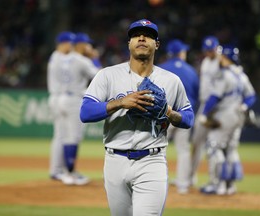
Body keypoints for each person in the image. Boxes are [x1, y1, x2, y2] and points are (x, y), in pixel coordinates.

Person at [80, 19, 194, 216]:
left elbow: (188, 118)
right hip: (115, 160)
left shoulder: (171, 80)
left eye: (148, 35)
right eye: (136, 35)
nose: (142, 38)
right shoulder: (107, 75)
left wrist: (169, 113)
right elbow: (86, 112)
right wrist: (120, 103)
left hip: (152, 160)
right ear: (129, 43)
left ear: (156, 44)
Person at [198, 44, 256, 195]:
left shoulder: (224, 75)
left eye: (222, 56)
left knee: (214, 147)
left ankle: (218, 184)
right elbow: (251, 96)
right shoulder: (242, 75)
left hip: (225, 115)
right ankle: (230, 186)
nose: (220, 58)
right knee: (230, 149)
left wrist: (204, 113)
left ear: (226, 58)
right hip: (239, 115)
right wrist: (244, 106)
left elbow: (214, 96)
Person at [47, 31, 101, 185]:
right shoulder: (79, 60)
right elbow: (99, 75)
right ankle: (70, 173)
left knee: (59, 136)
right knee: (73, 137)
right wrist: (94, 58)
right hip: (72, 99)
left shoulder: (55, 56)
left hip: (56, 98)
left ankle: (56, 170)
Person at [158, 39, 199, 194]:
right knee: (183, 149)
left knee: (157, 147)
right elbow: (196, 95)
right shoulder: (191, 70)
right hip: (183, 114)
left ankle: (158, 181)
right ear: (181, 53)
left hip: (164, 114)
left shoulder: (161, 69)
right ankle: (183, 184)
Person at [189, 36, 220, 187]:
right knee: (196, 142)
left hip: (217, 108)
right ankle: (190, 177)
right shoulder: (206, 62)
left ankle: (215, 180)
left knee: (214, 144)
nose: (208, 52)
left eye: (211, 49)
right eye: (206, 50)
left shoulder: (221, 62)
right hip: (204, 106)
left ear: (216, 48)